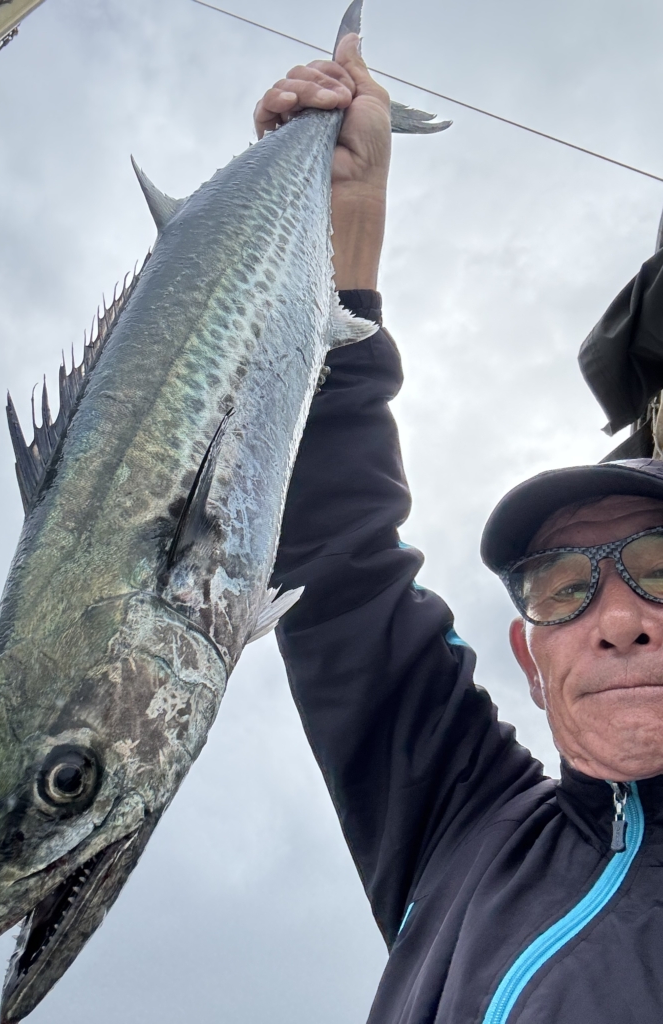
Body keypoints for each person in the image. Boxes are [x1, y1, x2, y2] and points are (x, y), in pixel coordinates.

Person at [261, 33, 663, 1024]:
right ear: (530, 661)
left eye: (661, 568)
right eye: (564, 587)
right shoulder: (461, 825)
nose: (618, 619)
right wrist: (340, 216)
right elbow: (336, 568)